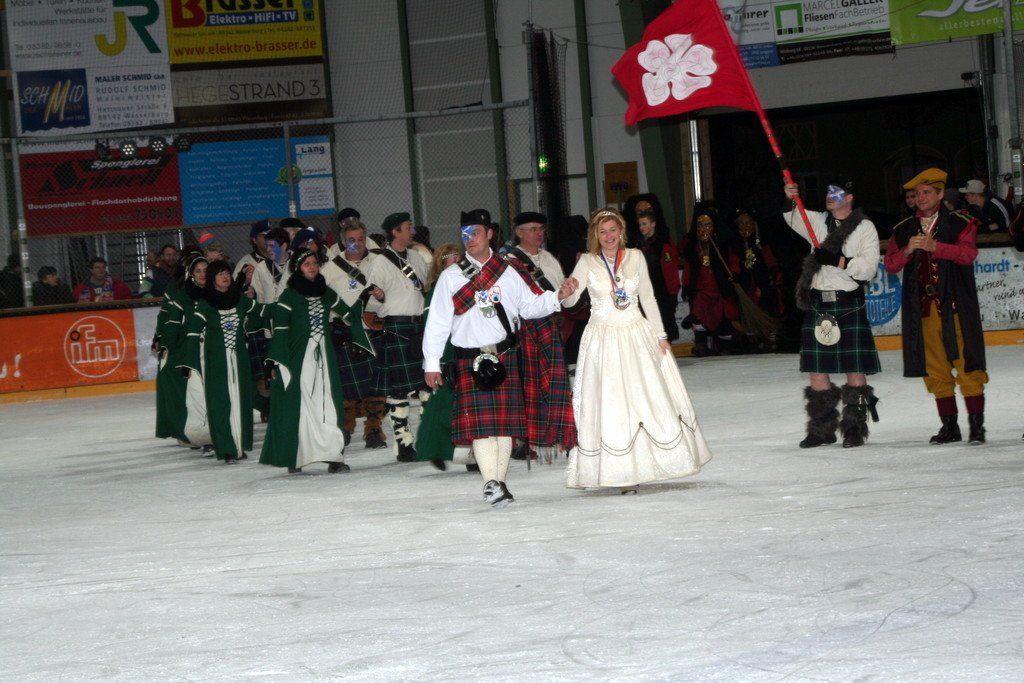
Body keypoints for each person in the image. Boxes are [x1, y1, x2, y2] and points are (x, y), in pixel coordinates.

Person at [422, 211, 578, 507]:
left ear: (490, 234)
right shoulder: (451, 276)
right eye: (465, 234)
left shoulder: (508, 271)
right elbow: (438, 322)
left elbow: (530, 306)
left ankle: (496, 483)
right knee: (482, 428)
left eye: (475, 232)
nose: (469, 239)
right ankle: (492, 483)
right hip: (469, 358)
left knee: (504, 427)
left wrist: (557, 296)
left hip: (504, 355)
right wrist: (431, 362)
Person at [560, 207, 712, 491]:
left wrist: (661, 335)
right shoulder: (588, 261)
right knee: (612, 401)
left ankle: (649, 463)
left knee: (643, 397)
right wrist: (565, 293)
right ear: (595, 235)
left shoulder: (636, 256)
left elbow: (648, 298)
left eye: (613, 230)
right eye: (602, 232)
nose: (608, 236)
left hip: (635, 334)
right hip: (602, 338)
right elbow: (571, 299)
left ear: (621, 231)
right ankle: (618, 470)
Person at [885, 168, 988, 444]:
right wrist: (908, 250)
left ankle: (976, 427)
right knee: (935, 368)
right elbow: (891, 264)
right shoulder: (904, 229)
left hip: (956, 306)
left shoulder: (960, 222)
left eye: (927, 192)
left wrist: (936, 247)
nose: (921, 197)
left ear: (940, 194)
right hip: (924, 309)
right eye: (917, 193)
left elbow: (968, 255)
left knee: (967, 363)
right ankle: (949, 427)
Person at [784, 179, 881, 449]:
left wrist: (839, 261)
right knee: (817, 369)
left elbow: (868, 269)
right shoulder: (817, 221)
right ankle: (821, 430)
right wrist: (790, 197)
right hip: (819, 303)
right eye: (828, 192)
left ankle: (854, 430)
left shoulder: (865, 228)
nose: (830, 196)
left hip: (848, 303)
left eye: (836, 193)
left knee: (854, 369)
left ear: (849, 198)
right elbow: (793, 217)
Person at [259, 248, 369, 474]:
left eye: (314, 263)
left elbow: (348, 314)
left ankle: (333, 455)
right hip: (298, 359)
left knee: (328, 403)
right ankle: (297, 455)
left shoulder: (325, 292)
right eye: (307, 264)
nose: (312, 267)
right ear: (298, 268)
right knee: (302, 405)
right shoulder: (289, 297)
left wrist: (364, 298)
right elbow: (281, 331)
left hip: (324, 359)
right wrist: (273, 360)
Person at [504, 211, 577, 461]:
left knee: (554, 384)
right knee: (527, 386)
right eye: (533, 229)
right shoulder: (509, 261)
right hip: (525, 330)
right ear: (519, 233)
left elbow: (562, 292)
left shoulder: (549, 258)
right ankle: (525, 439)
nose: (539, 233)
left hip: (551, 327)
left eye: (541, 229)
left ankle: (560, 434)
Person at [180, 261, 266, 463]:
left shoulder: (240, 300)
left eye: (227, 272)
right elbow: (192, 333)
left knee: (240, 402)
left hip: (239, 361)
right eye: (220, 274)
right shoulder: (205, 304)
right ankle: (227, 448)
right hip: (216, 363)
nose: (225, 276)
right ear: (212, 279)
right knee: (220, 404)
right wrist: (189, 363)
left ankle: (238, 445)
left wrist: (289, 307)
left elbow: (263, 311)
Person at [322, 216, 389, 450]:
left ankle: (374, 430)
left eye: (360, 239)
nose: (356, 244)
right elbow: (323, 301)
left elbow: (391, 291)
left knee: (375, 386)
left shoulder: (379, 262)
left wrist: (382, 297)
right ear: (343, 242)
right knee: (346, 387)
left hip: (373, 330)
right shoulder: (330, 269)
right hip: (345, 333)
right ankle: (346, 428)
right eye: (351, 240)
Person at [370, 211, 430, 462]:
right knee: (399, 390)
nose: (412, 231)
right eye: (408, 227)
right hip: (396, 327)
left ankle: (428, 438)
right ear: (395, 232)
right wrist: (379, 297)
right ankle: (403, 442)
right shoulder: (380, 262)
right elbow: (370, 303)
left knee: (427, 385)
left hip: (419, 326)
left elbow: (425, 288)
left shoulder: (416, 257)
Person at [414, 243, 468, 469]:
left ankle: (468, 452)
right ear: (441, 263)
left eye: (458, 257)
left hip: (464, 350)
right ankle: (436, 448)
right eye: (451, 258)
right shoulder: (436, 291)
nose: (457, 262)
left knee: (458, 403)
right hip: (446, 354)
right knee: (444, 404)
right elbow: (433, 327)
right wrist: (436, 359)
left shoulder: (466, 283)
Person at [154, 256, 213, 450]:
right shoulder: (182, 297)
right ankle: (194, 435)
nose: (203, 274)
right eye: (198, 271)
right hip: (187, 352)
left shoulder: (218, 294)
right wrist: (166, 346)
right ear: (191, 274)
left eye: (206, 270)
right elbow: (172, 326)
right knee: (191, 395)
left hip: (213, 351)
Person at [680, 210, 739, 356]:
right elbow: (687, 269)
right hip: (700, 289)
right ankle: (701, 344)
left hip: (720, 289)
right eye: (700, 225)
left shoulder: (722, 246)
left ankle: (725, 346)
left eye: (707, 225)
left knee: (722, 318)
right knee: (699, 312)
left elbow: (733, 263)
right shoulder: (691, 248)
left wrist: (735, 275)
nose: (703, 229)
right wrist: (686, 286)